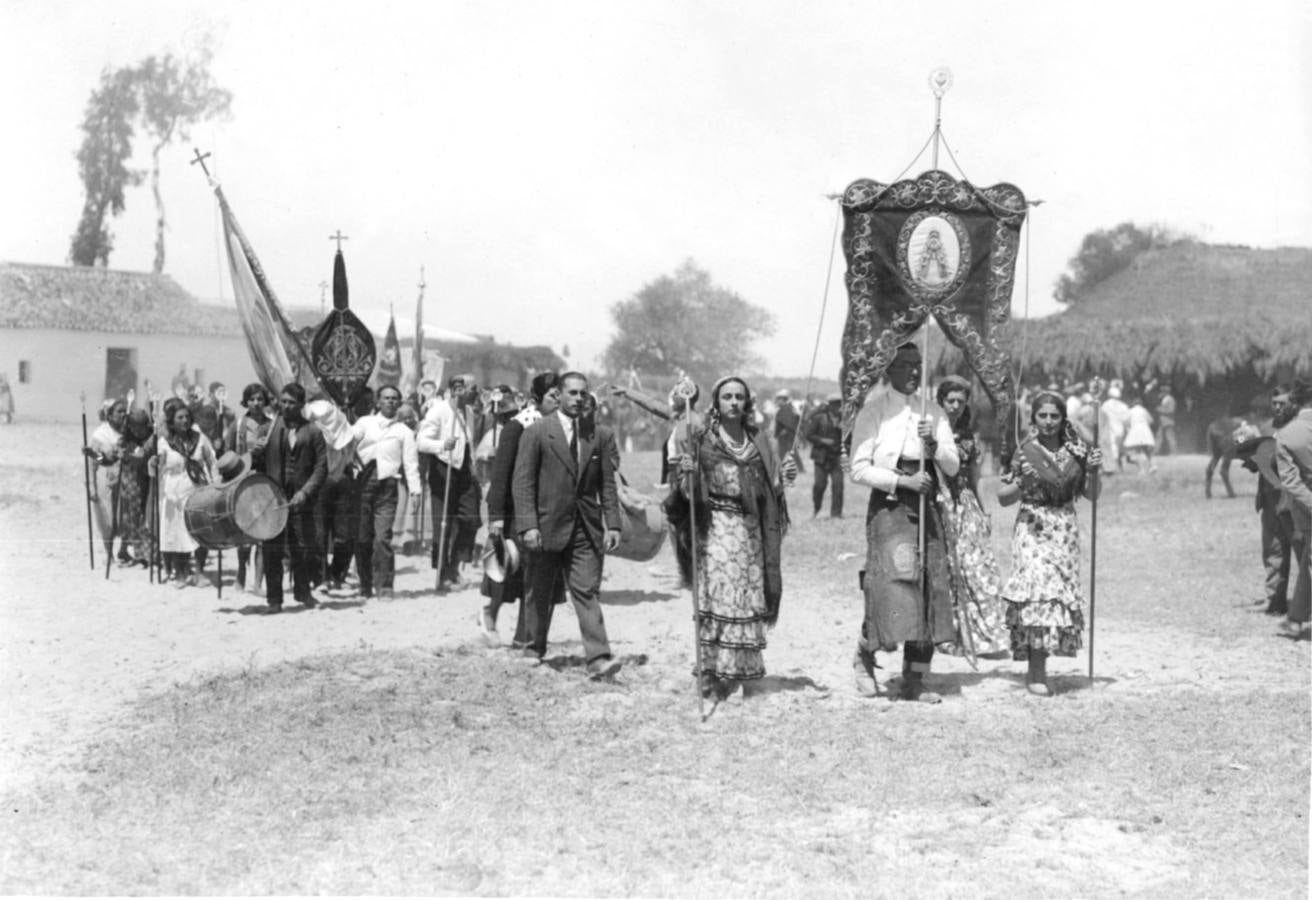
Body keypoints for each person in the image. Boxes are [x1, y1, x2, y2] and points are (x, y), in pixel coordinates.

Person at [848, 342, 959, 701]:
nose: (913, 371)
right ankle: (865, 656)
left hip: (927, 503)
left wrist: (934, 447)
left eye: (917, 364)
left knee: (928, 585)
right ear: (888, 370)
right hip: (891, 505)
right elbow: (859, 469)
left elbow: (953, 465)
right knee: (892, 584)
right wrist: (901, 481)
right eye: (905, 365)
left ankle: (915, 678)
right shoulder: (874, 411)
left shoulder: (934, 412)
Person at [671, 376, 795, 699]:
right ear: (717, 402)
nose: (734, 402)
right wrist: (687, 473)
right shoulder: (703, 440)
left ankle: (740, 672)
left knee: (744, 599)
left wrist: (785, 477)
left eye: (739, 397)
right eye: (727, 397)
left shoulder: (759, 441)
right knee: (718, 598)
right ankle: (712, 674)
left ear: (747, 403)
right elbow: (687, 493)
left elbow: (772, 487)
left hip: (750, 532)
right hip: (715, 527)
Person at [512, 371, 624, 678]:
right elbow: (522, 483)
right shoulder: (536, 432)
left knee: (586, 590)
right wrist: (528, 525)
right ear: (559, 395)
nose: (578, 399)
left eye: (582, 394)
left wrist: (612, 523)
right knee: (540, 589)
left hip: (586, 528)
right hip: (545, 526)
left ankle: (599, 658)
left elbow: (607, 484)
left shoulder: (597, 435)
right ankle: (533, 647)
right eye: (572, 393)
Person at [997, 391, 1102, 695]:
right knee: (1036, 594)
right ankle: (1036, 672)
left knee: (1057, 596)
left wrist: (1094, 470)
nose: (1048, 422)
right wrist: (1021, 483)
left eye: (1054, 416)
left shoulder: (1078, 452)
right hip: (1032, 527)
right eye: (1042, 415)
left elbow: (1092, 495)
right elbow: (1003, 499)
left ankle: (1042, 665)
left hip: (1064, 528)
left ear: (1063, 418)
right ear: (1033, 418)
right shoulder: (1025, 451)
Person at [482, 372, 561, 647]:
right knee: (511, 569)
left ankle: (524, 636)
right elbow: (501, 474)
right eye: (553, 396)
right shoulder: (518, 426)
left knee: (535, 576)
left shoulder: (560, 426)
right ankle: (490, 614)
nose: (558, 400)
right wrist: (497, 518)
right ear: (537, 398)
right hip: (515, 510)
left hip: (545, 510)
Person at [935, 376, 1007, 656]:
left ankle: (980, 636)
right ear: (940, 402)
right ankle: (946, 634)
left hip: (964, 503)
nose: (954, 406)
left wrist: (984, 510)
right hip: (936, 501)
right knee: (946, 568)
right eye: (949, 400)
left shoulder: (969, 438)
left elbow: (976, 477)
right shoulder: (928, 433)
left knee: (977, 566)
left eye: (959, 402)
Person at [253, 383, 327, 612]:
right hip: (274, 498)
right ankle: (274, 600)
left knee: (303, 548)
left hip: (301, 500)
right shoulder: (271, 428)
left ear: (302, 405)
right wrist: (256, 451)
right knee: (272, 549)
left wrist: (305, 492)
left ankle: (304, 593)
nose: (286, 406)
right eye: (283, 401)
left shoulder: (313, 432)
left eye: (291, 402)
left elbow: (322, 467)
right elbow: (258, 465)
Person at [351, 384, 422, 600]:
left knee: (382, 538)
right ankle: (365, 584)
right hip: (362, 484)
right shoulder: (365, 423)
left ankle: (385, 585)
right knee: (363, 539)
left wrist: (415, 491)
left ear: (399, 403)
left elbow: (411, 464)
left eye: (394, 399)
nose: (390, 402)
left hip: (387, 488)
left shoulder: (404, 432)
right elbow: (346, 441)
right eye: (386, 398)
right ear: (378, 401)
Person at [418, 374, 483, 590]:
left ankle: (455, 566)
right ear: (457, 389)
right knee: (443, 523)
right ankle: (443, 571)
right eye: (473, 388)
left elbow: (469, 444)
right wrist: (441, 445)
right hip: (442, 469)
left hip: (463, 470)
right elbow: (421, 441)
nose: (477, 393)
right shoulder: (439, 410)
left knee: (471, 519)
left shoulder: (469, 412)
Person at [155, 397, 218, 586]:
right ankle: (180, 573)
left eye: (187, 417)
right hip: (172, 491)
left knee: (199, 531)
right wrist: (153, 464)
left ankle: (199, 572)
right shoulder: (164, 442)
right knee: (175, 532)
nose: (184, 421)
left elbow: (211, 461)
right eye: (180, 418)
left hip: (196, 489)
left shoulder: (200, 439)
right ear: (172, 421)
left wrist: (215, 485)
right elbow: (158, 467)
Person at [225, 384, 273, 592]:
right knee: (244, 531)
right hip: (242, 481)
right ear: (246, 401)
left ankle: (258, 582)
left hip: (264, 482)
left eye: (260, 399)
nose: (256, 403)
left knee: (262, 533)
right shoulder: (237, 425)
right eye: (252, 399)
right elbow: (227, 454)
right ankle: (241, 572)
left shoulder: (272, 425)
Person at [1275, 379, 1312, 638]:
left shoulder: (1286, 435)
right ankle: (1296, 618)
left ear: (1296, 401)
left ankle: (1296, 619)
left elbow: (1290, 482)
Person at [661, 376, 702, 589]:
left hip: (685, 479)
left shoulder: (691, 423)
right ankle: (686, 573)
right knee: (678, 526)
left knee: (684, 527)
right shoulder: (681, 418)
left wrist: (686, 483)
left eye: (675, 393)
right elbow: (657, 407)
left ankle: (688, 575)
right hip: (676, 476)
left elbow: (692, 456)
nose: (671, 396)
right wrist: (630, 394)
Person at [85, 398, 129, 564]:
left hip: (125, 478)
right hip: (106, 479)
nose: (123, 414)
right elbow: (94, 461)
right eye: (119, 411)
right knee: (107, 517)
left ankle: (123, 550)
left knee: (125, 515)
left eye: (124, 411)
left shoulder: (127, 432)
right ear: (109, 415)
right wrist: (91, 487)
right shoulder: (100, 435)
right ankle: (109, 553)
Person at [116, 408, 156, 567]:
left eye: (141, 427)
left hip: (147, 485)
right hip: (128, 489)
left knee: (146, 520)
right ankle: (139, 555)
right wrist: (93, 455)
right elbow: (107, 459)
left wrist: (126, 455)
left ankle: (149, 556)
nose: (138, 431)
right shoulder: (124, 441)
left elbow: (140, 459)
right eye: (134, 428)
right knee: (132, 521)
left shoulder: (152, 440)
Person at [804, 393, 845, 518]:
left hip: (837, 457)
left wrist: (844, 430)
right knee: (819, 485)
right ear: (829, 406)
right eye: (834, 404)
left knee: (838, 485)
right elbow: (808, 434)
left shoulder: (844, 420)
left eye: (839, 404)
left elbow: (850, 437)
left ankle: (836, 514)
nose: (837, 406)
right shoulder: (819, 418)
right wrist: (822, 440)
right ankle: (817, 508)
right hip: (821, 456)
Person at [1099, 383, 1129, 474]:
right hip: (1120, 430)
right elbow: (1126, 419)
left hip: (1110, 429)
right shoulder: (1124, 406)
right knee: (1120, 450)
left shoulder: (1106, 404)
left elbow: (1102, 416)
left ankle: (1113, 468)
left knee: (1112, 449)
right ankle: (1120, 468)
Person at [1123, 393, 1156, 473]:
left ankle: (1142, 469)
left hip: (1135, 430)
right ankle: (1152, 465)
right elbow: (1151, 421)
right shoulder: (1144, 410)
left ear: (1133, 404)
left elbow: (1125, 422)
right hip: (1145, 430)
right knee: (1147, 449)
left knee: (1137, 450)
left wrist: (1129, 427)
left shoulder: (1131, 411)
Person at [772, 389, 803, 474]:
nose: (777, 401)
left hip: (788, 437)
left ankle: (776, 469)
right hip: (783, 437)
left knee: (783, 454)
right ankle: (801, 469)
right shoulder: (782, 410)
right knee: (787, 454)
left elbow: (791, 423)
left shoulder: (788, 410)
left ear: (783, 400)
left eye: (779, 399)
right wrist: (776, 434)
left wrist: (786, 430)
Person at [1155, 387, 1178, 456]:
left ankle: (1174, 452)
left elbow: (1171, 410)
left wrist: (1159, 410)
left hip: (1167, 420)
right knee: (1159, 436)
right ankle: (1156, 451)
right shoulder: (1166, 399)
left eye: (1162, 392)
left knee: (1169, 436)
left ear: (1165, 392)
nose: (1160, 393)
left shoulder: (1169, 399)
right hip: (1164, 421)